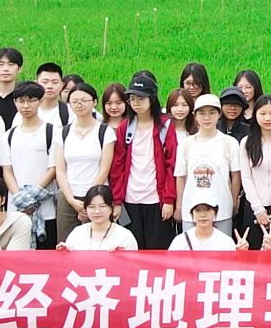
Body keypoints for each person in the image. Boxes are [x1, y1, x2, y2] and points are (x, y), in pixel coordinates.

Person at [108, 73, 177, 250]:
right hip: (130, 199)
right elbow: (117, 167)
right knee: (132, 248)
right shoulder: (125, 127)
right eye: (132, 99)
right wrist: (117, 201)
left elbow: (172, 165)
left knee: (158, 250)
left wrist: (168, 199)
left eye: (140, 98)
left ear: (152, 99)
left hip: (156, 200)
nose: (136, 103)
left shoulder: (165, 126)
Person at [52, 82, 113, 246]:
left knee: (97, 243)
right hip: (68, 196)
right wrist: (71, 200)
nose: (79, 104)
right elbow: (60, 170)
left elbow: (104, 170)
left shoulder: (105, 131)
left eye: (84, 100)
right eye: (74, 101)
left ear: (94, 102)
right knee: (65, 244)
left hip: (97, 196)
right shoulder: (63, 132)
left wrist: (89, 201)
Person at [174, 94, 242, 238]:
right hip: (191, 209)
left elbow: (236, 175)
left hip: (222, 209)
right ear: (195, 116)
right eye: (202, 113)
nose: (207, 118)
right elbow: (181, 177)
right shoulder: (186, 144)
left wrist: (233, 201)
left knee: (222, 248)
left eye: (212, 113)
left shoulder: (229, 143)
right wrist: (179, 205)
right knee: (191, 247)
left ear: (219, 115)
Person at [4, 81, 61, 246]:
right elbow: (7, 170)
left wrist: (31, 197)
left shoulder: (53, 132)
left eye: (31, 100)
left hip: (45, 208)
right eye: (21, 101)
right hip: (17, 207)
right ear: (14, 102)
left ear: (40, 101)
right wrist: (19, 198)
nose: (26, 106)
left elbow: (53, 168)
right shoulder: (9, 135)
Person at [237, 93, 271, 244]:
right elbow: (246, 177)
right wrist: (258, 209)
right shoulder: (246, 143)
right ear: (255, 115)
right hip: (254, 207)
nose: (267, 118)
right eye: (262, 114)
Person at [62, 185, 138, 251]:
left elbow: (132, 261)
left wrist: (122, 256)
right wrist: (64, 253)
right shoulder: (77, 233)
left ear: (111, 207)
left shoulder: (125, 236)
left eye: (102, 206)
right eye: (92, 207)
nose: (97, 211)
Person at [0, 46, 24, 131]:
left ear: (19, 69)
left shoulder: (24, 98)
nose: (5, 69)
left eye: (11, 64)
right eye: (0, 64)